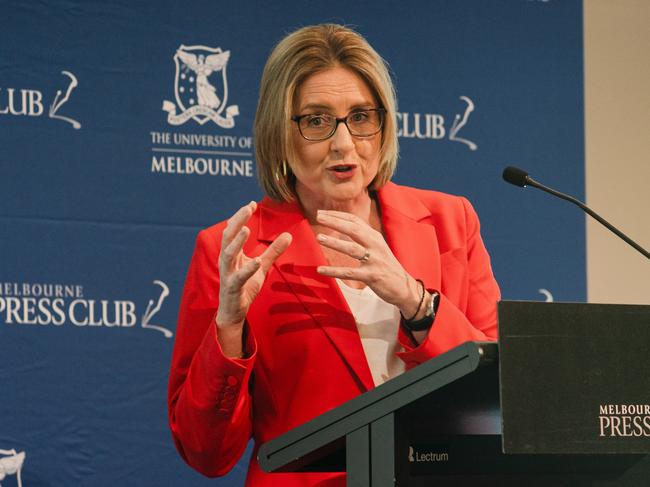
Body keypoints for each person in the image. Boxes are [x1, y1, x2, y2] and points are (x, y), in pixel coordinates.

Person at [168, 23, 500, 487]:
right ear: (279, 132)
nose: (344, 144)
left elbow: (499, 393)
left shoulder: (451, 222)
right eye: (317, 121)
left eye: (362, 117)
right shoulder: (233, 248)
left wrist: (419, 304)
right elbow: (206, 452)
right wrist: (228, 330)